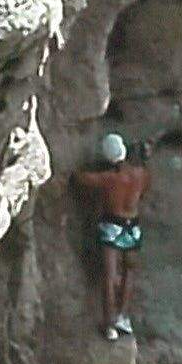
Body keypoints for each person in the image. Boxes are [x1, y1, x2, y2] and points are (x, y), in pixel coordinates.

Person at [72, 132, 151, 342]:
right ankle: (122, 317)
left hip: (112, 226)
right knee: (129, 273)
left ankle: (109, 324)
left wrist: (93, 165)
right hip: (132, 227)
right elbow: (143, 189)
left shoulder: (108, 178)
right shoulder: (141, 175)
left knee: (110, 275)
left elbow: (79, 179)